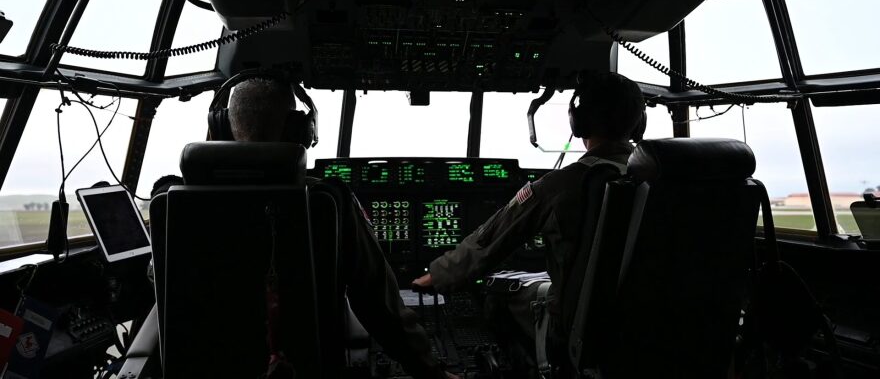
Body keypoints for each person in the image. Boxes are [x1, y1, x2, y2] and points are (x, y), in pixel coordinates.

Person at [178, 76, 454, 379]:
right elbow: (379, 307)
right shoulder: (327, 202)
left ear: (222, 127)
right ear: (301, 130)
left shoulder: (174, 202)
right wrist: (431, 372)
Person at [412, 72, 646, 372]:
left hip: (579, 331)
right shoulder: (660, 182)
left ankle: (533, 368)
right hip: (646, 326)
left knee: (497, 291)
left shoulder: (563, 184)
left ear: (579, 121)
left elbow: (490, 241)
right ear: (638, 123)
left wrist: (435, 277)